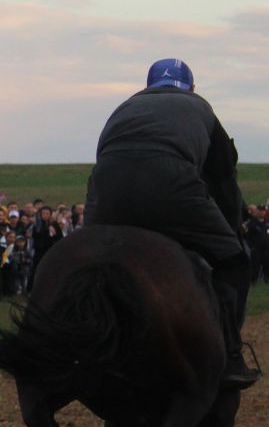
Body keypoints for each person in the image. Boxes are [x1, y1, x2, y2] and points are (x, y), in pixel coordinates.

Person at [85, 58, 258, 389]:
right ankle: (231, 354)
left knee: (89, 265)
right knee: (235, 262)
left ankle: (83, 338)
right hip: (170, 182)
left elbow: (105, 156)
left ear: (148, 85)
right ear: (191, 87)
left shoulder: (125, 107)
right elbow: (223, 181)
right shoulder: (200, 107)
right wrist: (227, 228)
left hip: (106, 185)